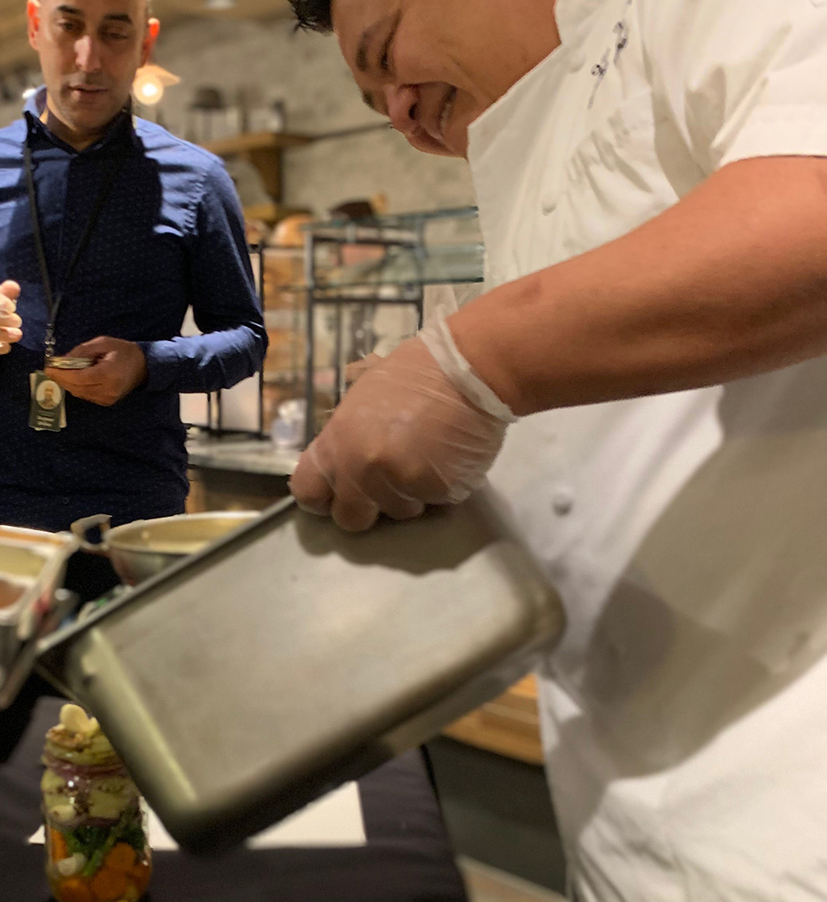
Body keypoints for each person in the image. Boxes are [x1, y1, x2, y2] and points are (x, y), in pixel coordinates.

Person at [287, 0, 827, 898]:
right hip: (627, 807)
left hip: (789, 809)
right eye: (378, 98)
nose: (401, 114)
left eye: (387, 57)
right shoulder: (528, 142)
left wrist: (469, 362)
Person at [0, 0, 266, 545]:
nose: (89, 57)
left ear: (146, 43)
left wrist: (148, 364)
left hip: (139, 503)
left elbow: (247, 340)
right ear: (35, 26)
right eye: (69, 27)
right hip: (7, 496)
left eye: (114, 33)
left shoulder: (197, 178)